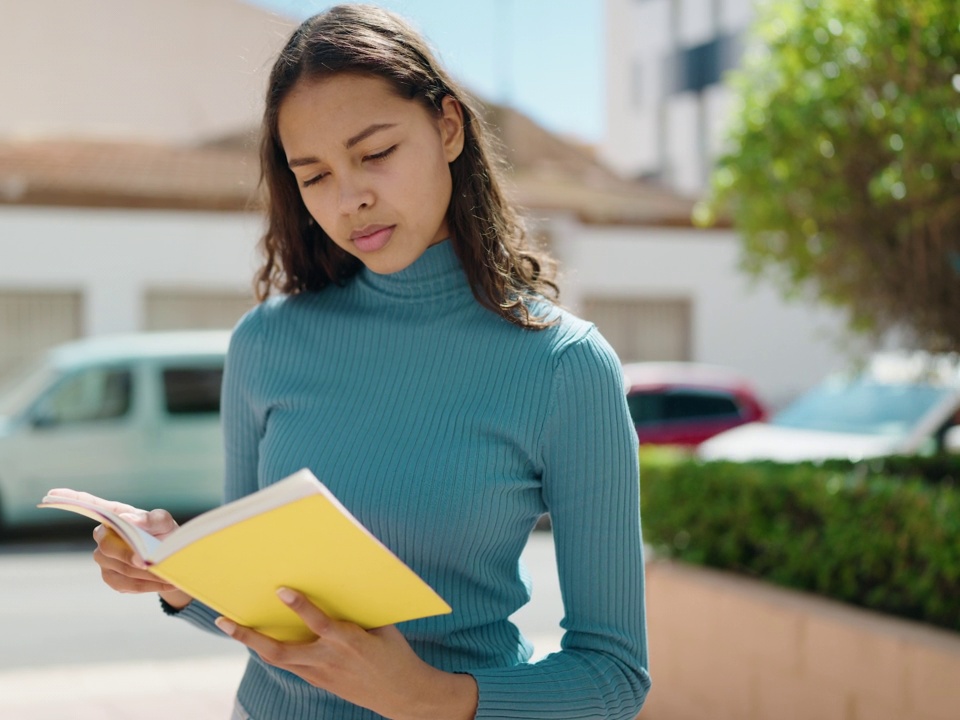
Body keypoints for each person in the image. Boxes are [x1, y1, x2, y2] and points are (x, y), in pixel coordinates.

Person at [68, 5, 649, 718]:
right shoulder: (265, 345)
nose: (351, 198)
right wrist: (177, 575)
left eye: (374, 153)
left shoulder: (564, 367)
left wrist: (431, 697)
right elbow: (273, 613)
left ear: (448, 127)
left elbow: (614, 677)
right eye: (314, 176)